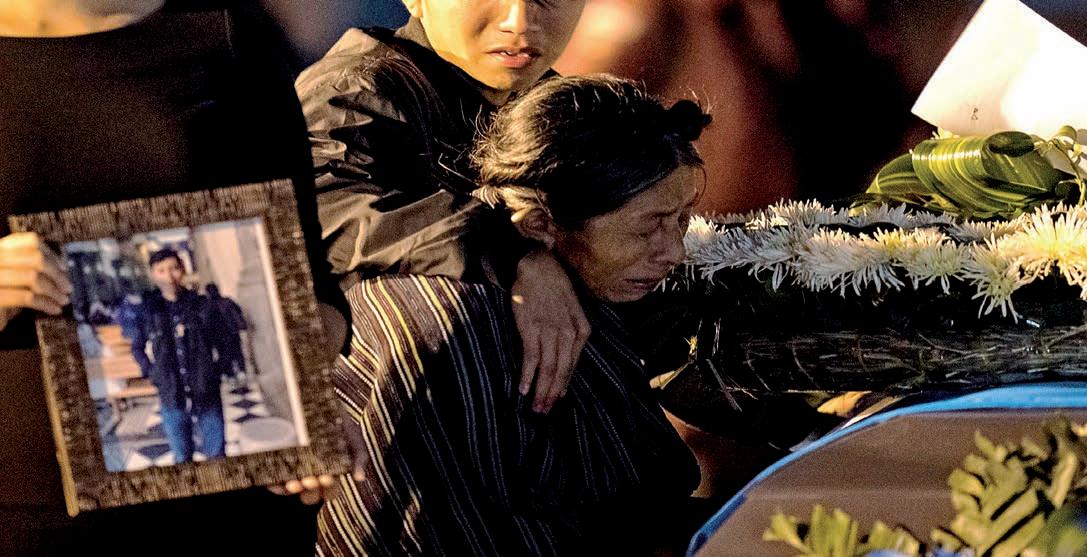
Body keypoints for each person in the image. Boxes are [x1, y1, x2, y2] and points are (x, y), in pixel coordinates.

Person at [316, 75, 714, 556]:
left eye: (682, 219)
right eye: (647, 228)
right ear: (541, 223)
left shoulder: (568, 275)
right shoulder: (461, 326)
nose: (674, 252)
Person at [0, 1, 346, 555]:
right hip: (30, 513)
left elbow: (311, 286)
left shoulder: (227, 31)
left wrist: (301, 404)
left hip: (230, 499)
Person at [295, 0, 589, 415]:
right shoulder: (353, 92)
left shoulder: (566, 110)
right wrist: (514, 255)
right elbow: (339, 207)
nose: (519, 21)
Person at [129, 248, 226, 463]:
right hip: (171, 394)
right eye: (161, 270)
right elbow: (137, 348)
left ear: (182, 270)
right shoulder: (149, 311)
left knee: (217, 454)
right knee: (182, 457)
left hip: (206, 390)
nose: (169, 276)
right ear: (153, 274)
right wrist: (153, 373)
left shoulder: (201, 305)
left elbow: (223, 340)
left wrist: (216, 371)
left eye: (173, 268)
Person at [204, 282, 249, 383]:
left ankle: (231, 374)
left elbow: (207, 323)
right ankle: (240, 371)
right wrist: (241, 325)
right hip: (230, 333)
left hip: (219, 336)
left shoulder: (208, 306)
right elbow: (238, 313)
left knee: (225, 355)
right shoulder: (227, 301)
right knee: (236, 352)